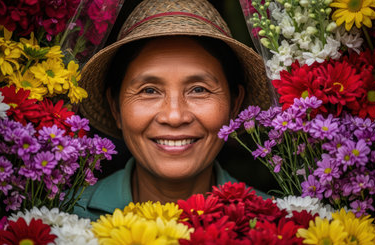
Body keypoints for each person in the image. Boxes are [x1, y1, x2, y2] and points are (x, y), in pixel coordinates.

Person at [74, 0, 273, 221]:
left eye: (199, 90)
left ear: (234, 106)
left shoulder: (273, 222)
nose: (175, 116)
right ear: (115, 107)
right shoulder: (66, 219)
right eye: (149, 90)